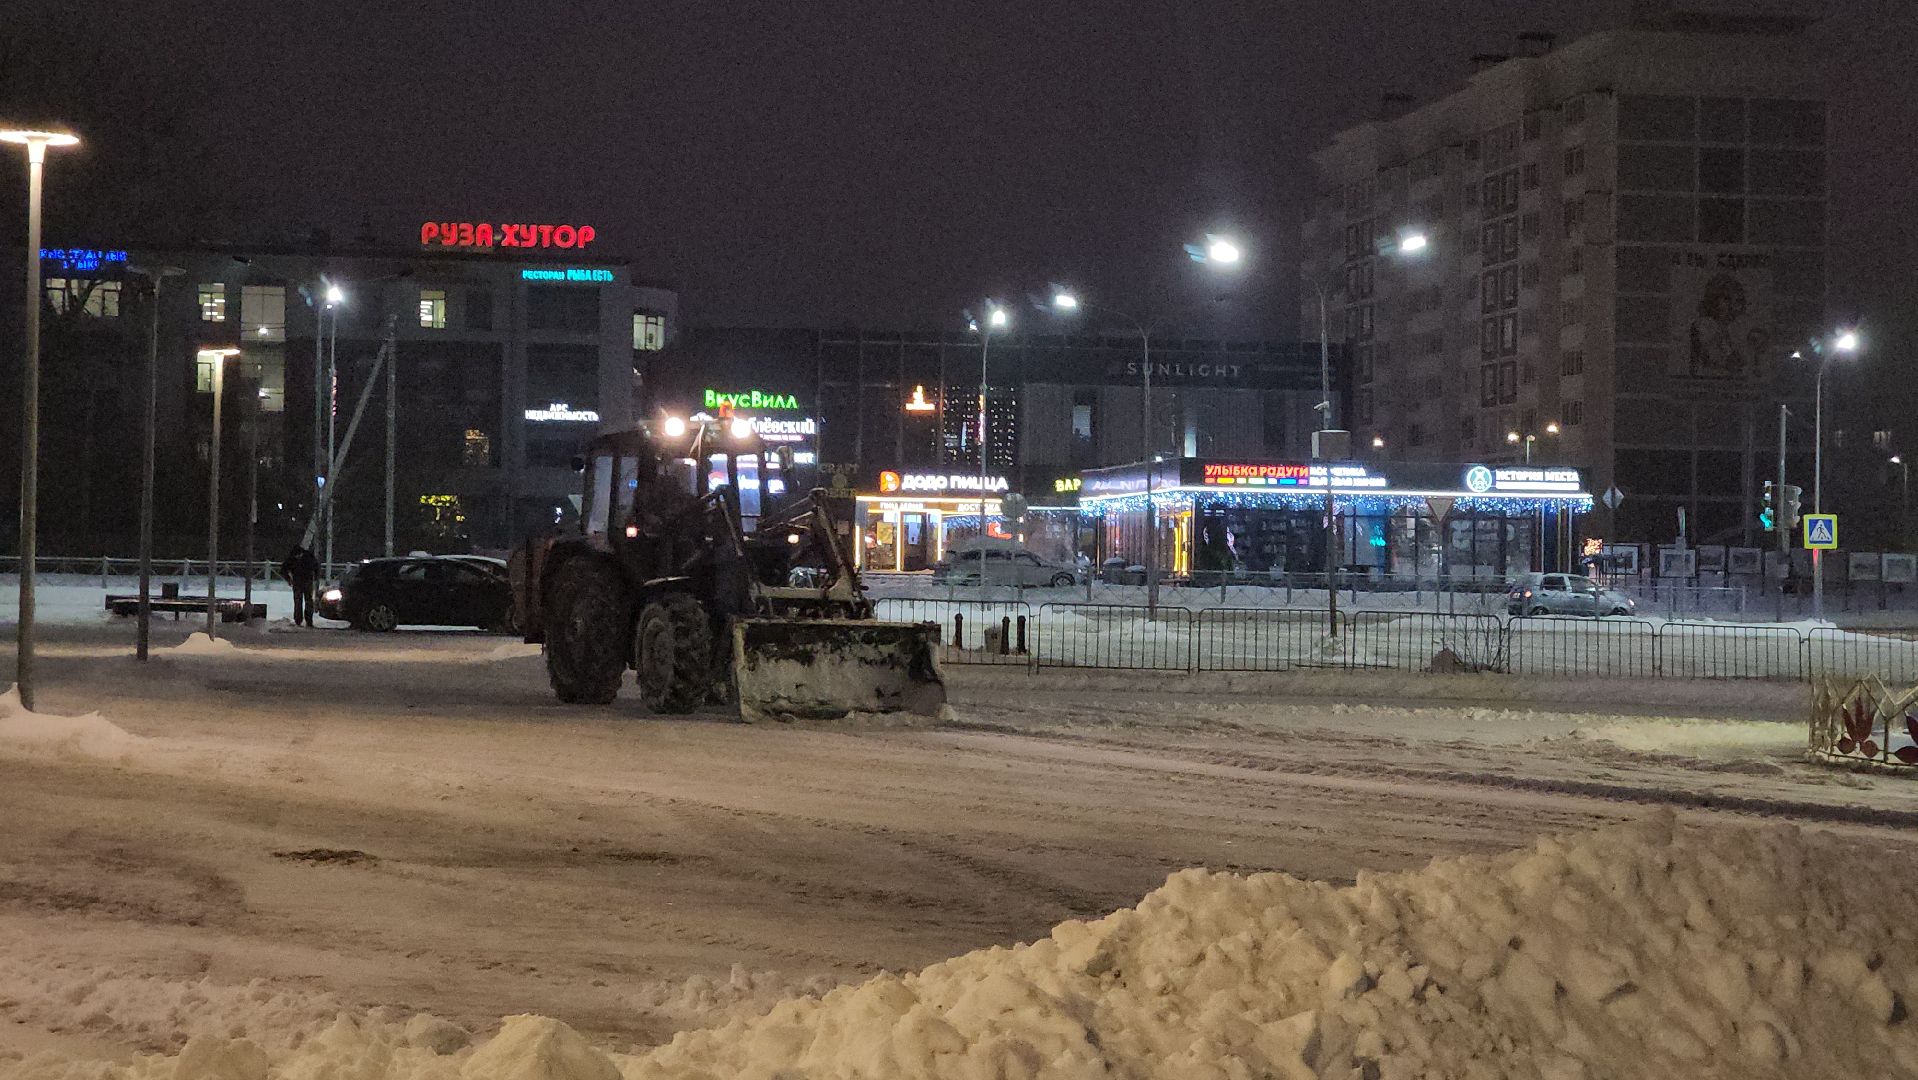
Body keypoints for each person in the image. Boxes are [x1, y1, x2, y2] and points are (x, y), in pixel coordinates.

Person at [280, 543, 321, 627]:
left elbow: (283, 569)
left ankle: (304, 620)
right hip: (303, 581)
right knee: (304, 601)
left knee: (303, 601)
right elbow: (316, 567)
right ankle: (302, 620)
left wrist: (289, 579)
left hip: (302, 581)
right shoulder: (307, 557)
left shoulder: (301, 557)